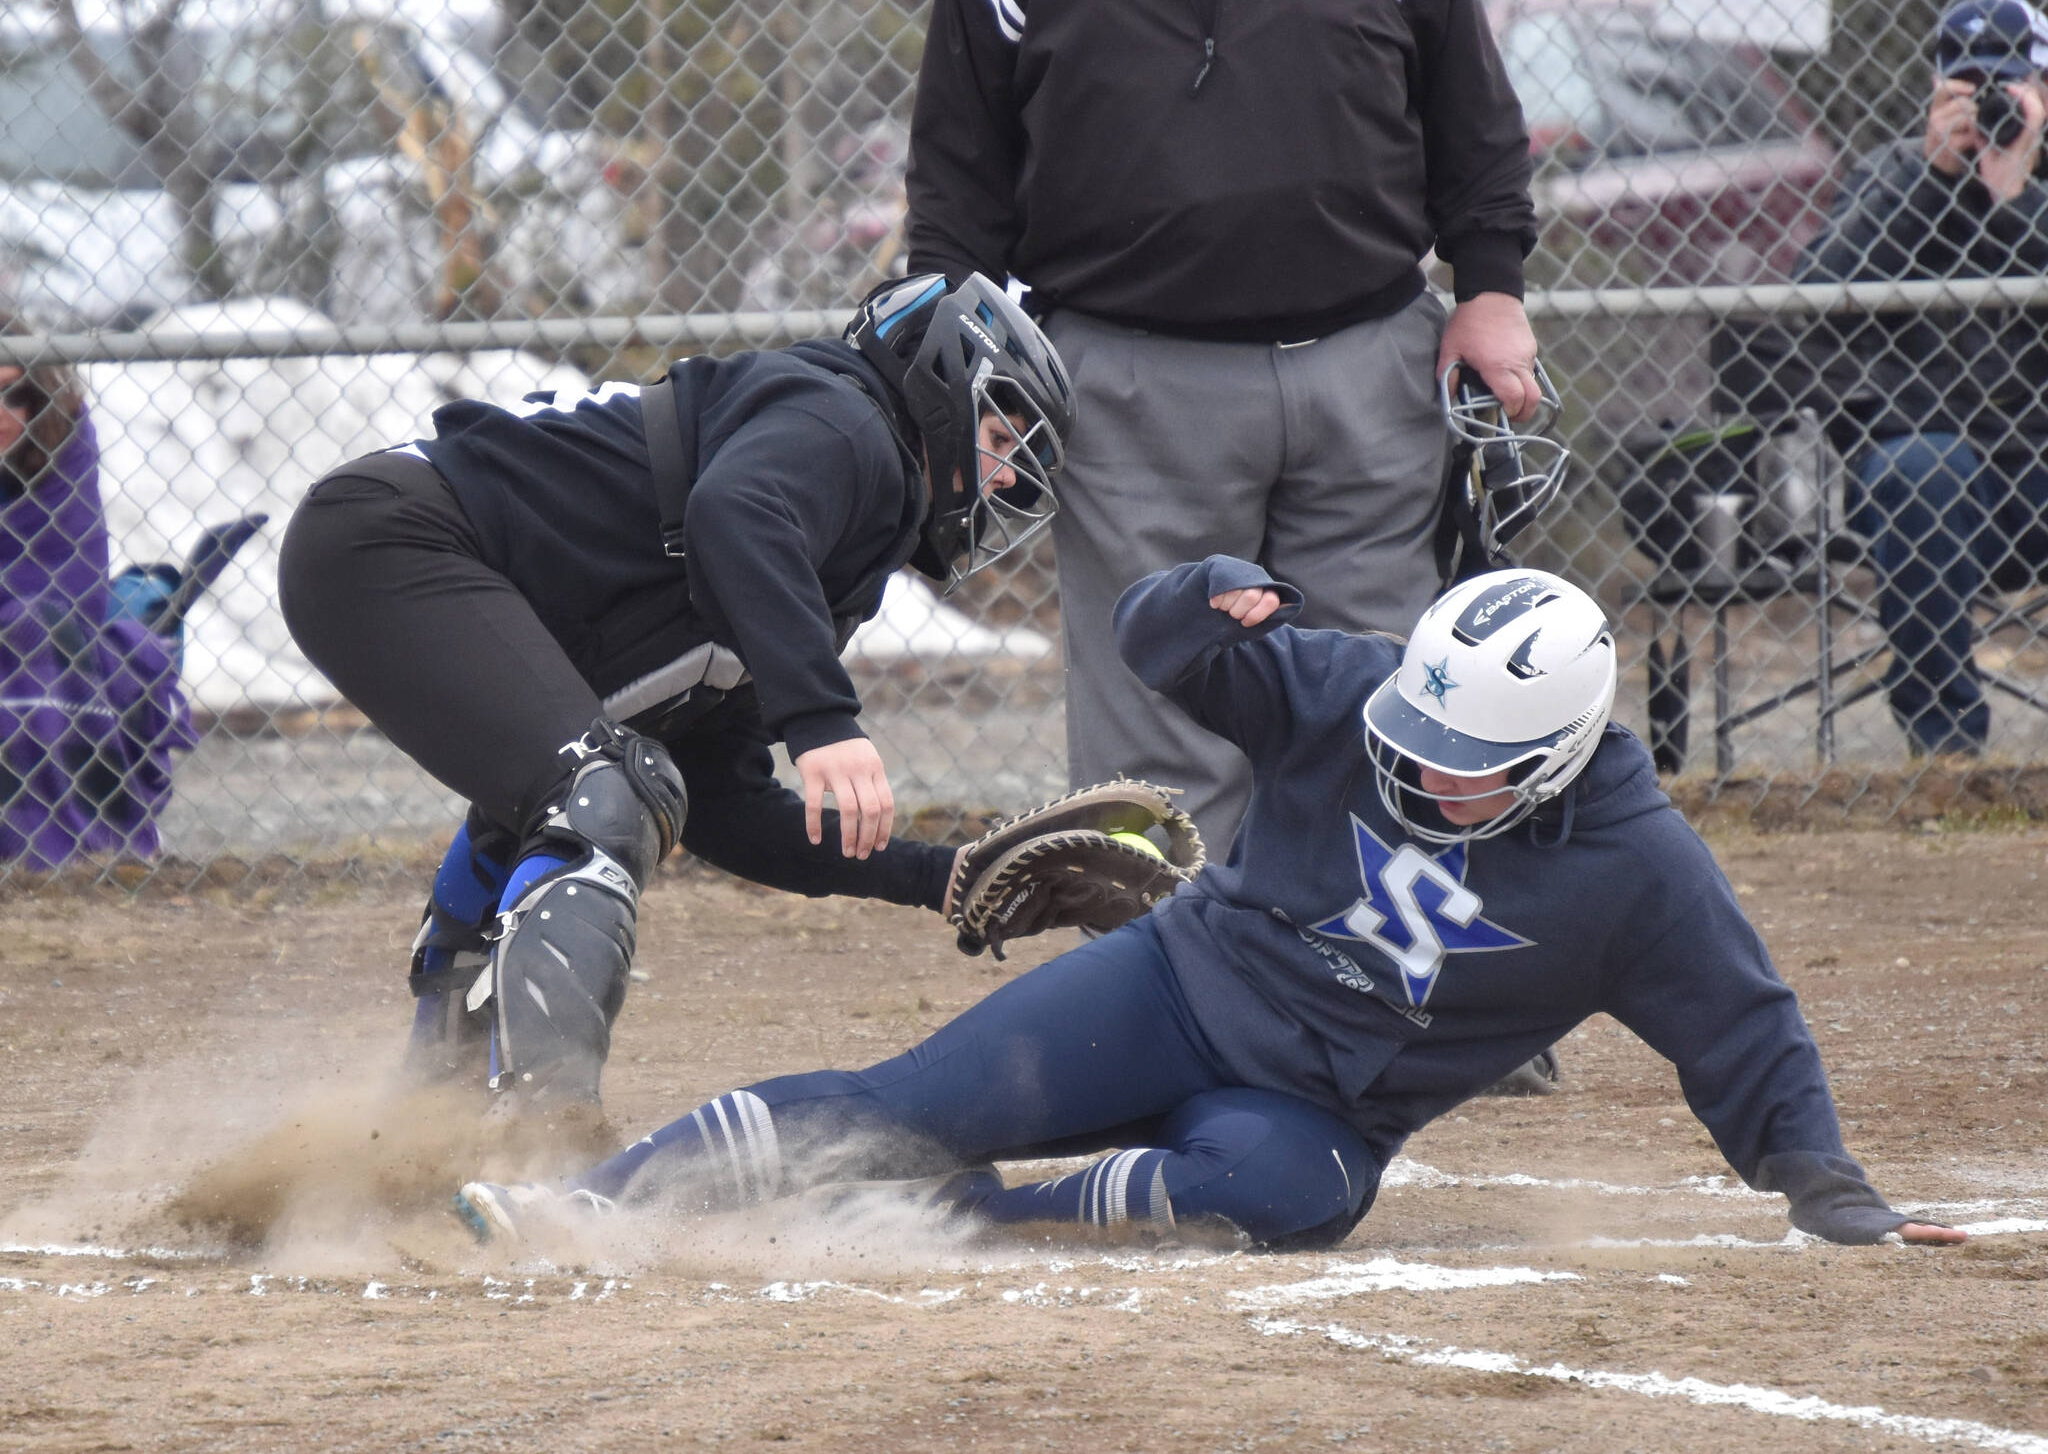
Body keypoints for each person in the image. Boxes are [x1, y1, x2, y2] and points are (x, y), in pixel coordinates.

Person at [456, 562, 1963, 1254]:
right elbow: (1159, 642)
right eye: (1417, 746)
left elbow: (1744, 1028)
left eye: (1467, 767)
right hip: (1176, 982)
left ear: (1561, 755)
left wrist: (1827, 1186)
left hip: (1316, 1111)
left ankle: (937, 1225)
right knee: (910, 1095)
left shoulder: (1639, 869)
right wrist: (1210, 595)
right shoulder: (1363, 687)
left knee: (1289, 1200)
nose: (1424, 771)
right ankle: (583, 1208)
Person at [903, 0, 1542, 845]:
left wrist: (1490, 287)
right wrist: (965, 385)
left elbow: (1472, 121)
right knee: (1161, 741)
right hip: (1131, 383)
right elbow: (953, 198)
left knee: (1391, 708)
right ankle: (1174, 1025)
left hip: (1367, 361)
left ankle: (1406, 1018)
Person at [276, 273, 1074, 1114]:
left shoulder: (837, 543)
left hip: (391, 546)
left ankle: (428, 1119)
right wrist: (823, 718)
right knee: (601, 788)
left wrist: (941, 876)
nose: (1002, 479)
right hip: (395, 536)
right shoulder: (848, 422)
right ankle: (546, 1131)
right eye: (1000, 431)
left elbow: (719, 803)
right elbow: (735, 511)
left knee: (609, 787)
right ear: (942, 379)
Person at [1773, 0, 2048, 756]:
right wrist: (1934, 176)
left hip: (2036, 468)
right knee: (1924, 466)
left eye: (2005, 86)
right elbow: (1818, 297)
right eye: (1966, 86)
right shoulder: (1892, 176)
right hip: (1916, 477)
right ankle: (1949, 752)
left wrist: (2011, 196)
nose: (1987, 104)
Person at [1, 320, 195, 868]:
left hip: (42, 635)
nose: (4, 410)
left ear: (45, 399)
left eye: (19, 393)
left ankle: (54, 852)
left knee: (36, 627)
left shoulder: (64, 446)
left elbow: (71, 583)